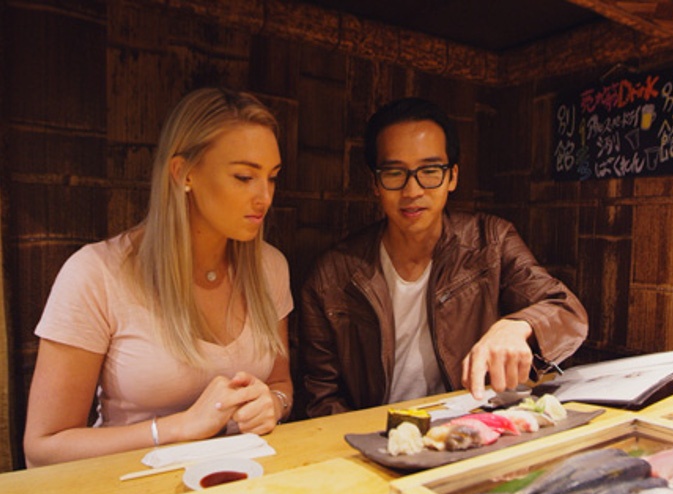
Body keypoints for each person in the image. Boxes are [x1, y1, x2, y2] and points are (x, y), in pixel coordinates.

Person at [23, 88, 293, 466]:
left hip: (241, 485)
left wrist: (273, 405)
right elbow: (43, 446)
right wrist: (177, 428)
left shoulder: (270, 267)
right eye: (244, 177)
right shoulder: (96, 274)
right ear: (183, 173)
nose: (264, 196)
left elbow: (281, 385)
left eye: (273, 178)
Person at [299, 97, 589, 418]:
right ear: (375, 183)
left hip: (473, 425)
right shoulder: (332, 276)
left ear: (452, 177)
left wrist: (517, 326)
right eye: (395, 173)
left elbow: (566, 310)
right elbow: (322, 397)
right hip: (377, 440)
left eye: (430, 171)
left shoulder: (490, 240)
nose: (412, 191)